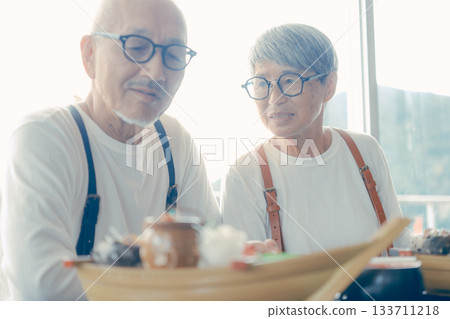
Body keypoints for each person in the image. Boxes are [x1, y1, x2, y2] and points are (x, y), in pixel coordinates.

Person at [1, 0, 219, 300]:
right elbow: (43, 289)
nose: (157, 71)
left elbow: (216, 259)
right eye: (137, 46)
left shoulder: (175, 140)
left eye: (174, 53)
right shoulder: (44, 136)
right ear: (90, 55)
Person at [221, 23, 410, 255]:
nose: (274, 98)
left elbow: (400, 247)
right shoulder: (245, 174)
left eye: (290, 80)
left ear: (328, 86)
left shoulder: (364, 151)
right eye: (262, 83)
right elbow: (245, 278)